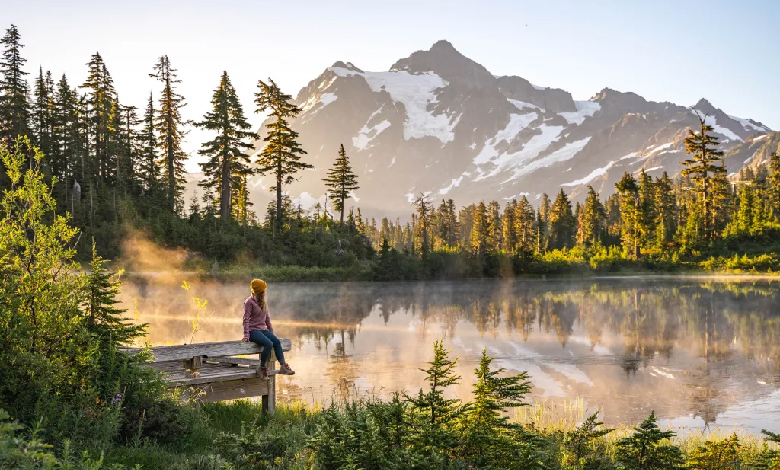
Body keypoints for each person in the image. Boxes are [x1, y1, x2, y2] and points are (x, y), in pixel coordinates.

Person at [242, 279, 295, 379]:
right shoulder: (249, 302)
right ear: (260, 291)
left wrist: (271, 332)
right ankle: (262, 368)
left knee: (276, 341)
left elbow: (267, 318)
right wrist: (246, 335)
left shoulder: (263, 302)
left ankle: (283, 366)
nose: (265, 291)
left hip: (262, 329)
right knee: (268, 344)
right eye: (264, 289)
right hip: (253, 331)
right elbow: (246, 319)